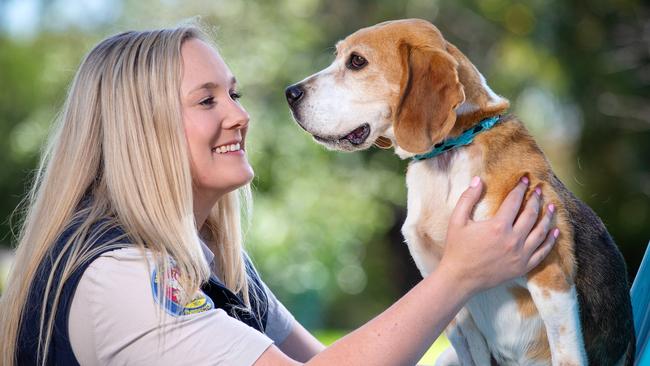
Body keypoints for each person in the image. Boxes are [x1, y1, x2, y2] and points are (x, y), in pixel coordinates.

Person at [0, 24, 558, 366]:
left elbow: (335, 361)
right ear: (138, 128)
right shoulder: (119, 274)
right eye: (207, 101)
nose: (241, 115)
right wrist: (458, 276)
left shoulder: (212, 261)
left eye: (234, 94)